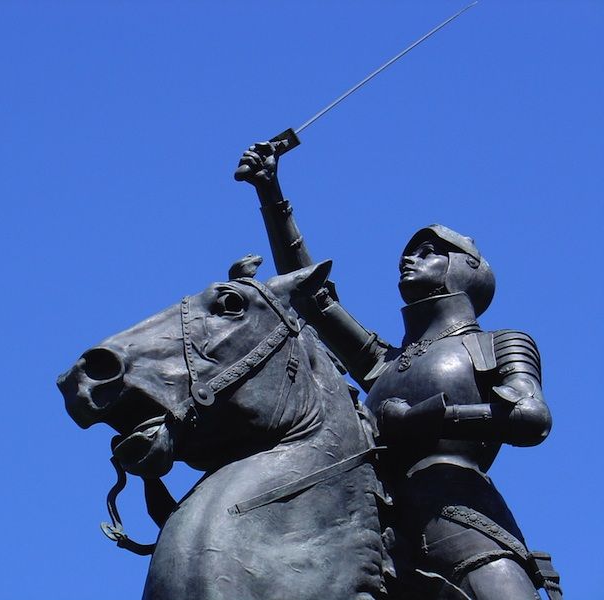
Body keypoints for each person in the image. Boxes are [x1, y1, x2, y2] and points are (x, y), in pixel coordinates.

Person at [236, 141, 561, 600]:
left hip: (460, 516)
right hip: (371, 523)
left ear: (465, 267)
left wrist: (427, 417)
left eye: (428, 252)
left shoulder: (498, 343)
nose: (409, 259)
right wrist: (270, 193)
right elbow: (312, 295)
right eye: (408, 254)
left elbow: (532, 418)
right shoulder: (382, 362)